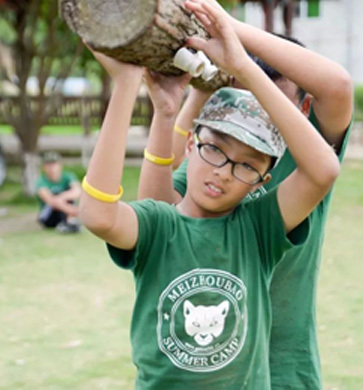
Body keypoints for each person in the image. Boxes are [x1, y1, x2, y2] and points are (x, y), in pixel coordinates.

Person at [79, 1, 341, 388]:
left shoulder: (257, 230)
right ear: (190, 145)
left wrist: (243, 67)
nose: (223, 172)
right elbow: (99, 215)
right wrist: (127, 89)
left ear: (262, 181)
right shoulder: (159, 225)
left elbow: (324, 170)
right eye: (215, 149)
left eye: (247, 165)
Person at [35, 151, 81, 233]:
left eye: (53, 164)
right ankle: (69, 221)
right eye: (48, 165)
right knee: (56, 197)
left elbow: (77, 191)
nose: (51, 168)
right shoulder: (41, 181)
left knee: (65, 196)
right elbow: (50, 200)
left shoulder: (68, 177)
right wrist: (72, 210)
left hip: (65, 207)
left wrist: (62, 196)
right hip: (50, 215)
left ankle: (69, 222)